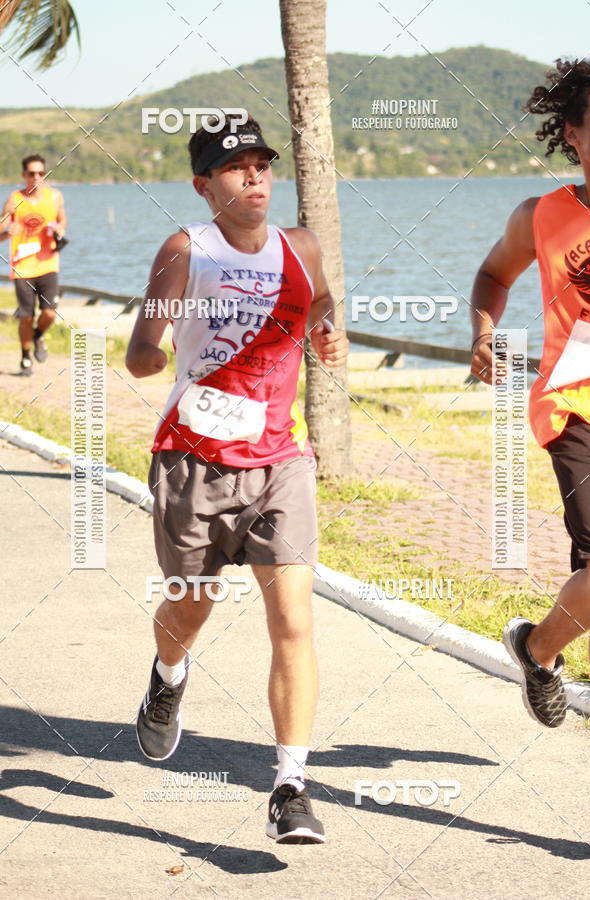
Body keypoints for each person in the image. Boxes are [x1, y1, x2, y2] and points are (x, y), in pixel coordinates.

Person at [126, 114, 348, 843]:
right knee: (190, 607)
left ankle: (290, 786)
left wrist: (324, 331)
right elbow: (141, 351)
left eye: (261, 163)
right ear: (204, 185)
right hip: (192, 459)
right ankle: (168, 676)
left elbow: (319, 301)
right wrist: (157, 356)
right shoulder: (186, 249)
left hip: (281, 460)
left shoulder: (301, 246)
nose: (254, 176)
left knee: (294, 621)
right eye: (235, 166)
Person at [470, 57, 590, 728]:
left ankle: (538, 650)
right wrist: (484, 333)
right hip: (574, 405)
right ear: (573, 134)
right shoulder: (542, 216)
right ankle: (540, 648)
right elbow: (494, 275)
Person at [0, 154, 67, 375]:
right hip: (23, 267)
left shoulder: (55, 197)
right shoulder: (14, 199)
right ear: (24, 175)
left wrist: (60, 230)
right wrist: (7, 233)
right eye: (31, 173)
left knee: (50, 313)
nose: (36, 177)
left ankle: (38, 336)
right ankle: (25, 356)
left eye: (41, 173)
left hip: (48, 263)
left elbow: (62, 220)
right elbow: (0, 230)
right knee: (26, 316)